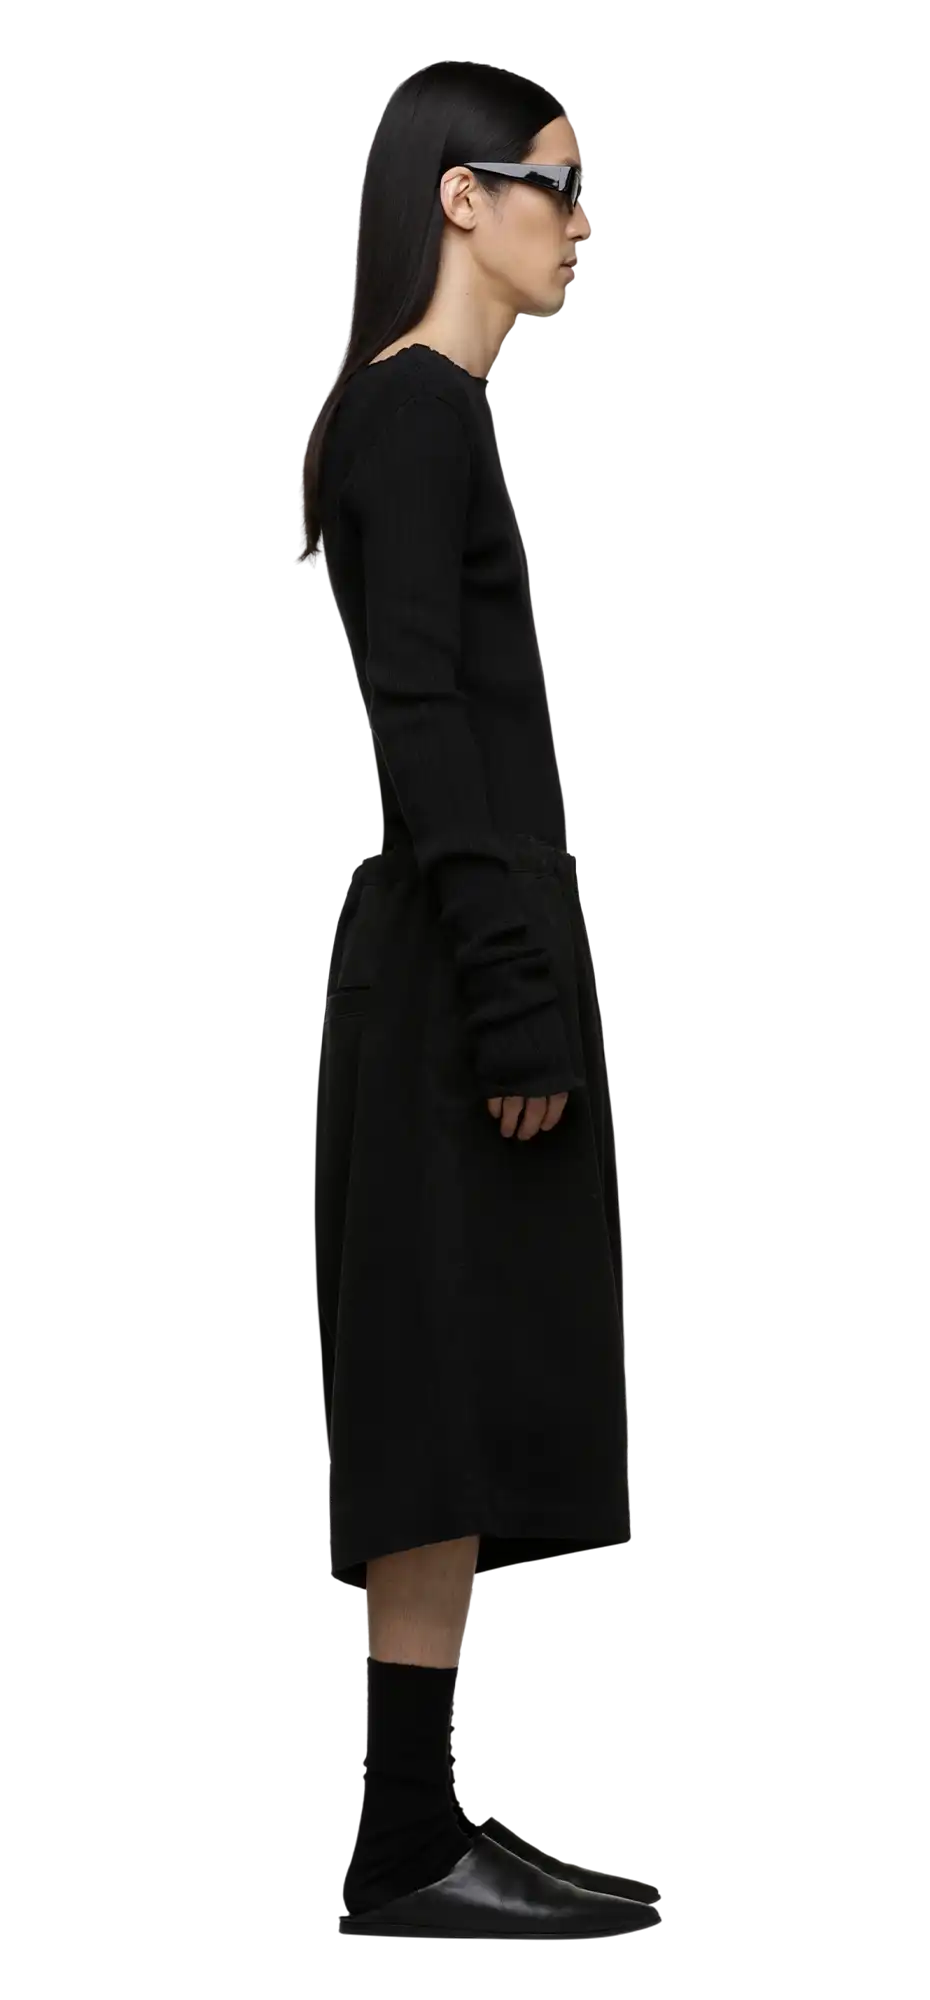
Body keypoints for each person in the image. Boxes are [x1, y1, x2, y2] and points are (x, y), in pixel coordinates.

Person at [300, 60, 656, 1941]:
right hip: (458, 964)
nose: (581, 225)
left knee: (464, 1397)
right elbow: (420, 716)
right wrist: (513, 994)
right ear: (462, 196)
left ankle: (412, 1832)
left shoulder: (431, 413)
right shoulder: (413, 410)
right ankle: (402, 1848)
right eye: (557, 187)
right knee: (437, 1401)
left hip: (473, 946)